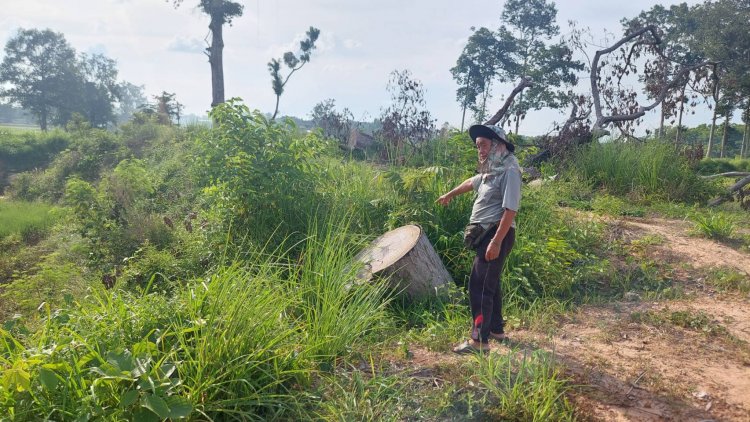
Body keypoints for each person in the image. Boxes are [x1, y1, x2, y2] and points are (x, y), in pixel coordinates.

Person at [436, 124, 521, 354]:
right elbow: (471, 182)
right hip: (486, 234)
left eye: (483, 144)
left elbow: (510, 210)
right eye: (477, 146)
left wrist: (495, 242)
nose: (480, 150)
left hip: (495, 234)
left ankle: (479, 341)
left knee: (479, 285)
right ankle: (495, 329)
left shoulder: (510, 170)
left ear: (497, 144)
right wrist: (450, 194)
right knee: (490, 283)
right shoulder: (492, 169)